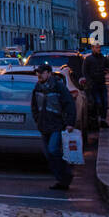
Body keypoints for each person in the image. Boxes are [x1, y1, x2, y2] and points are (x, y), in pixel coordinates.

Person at [30, 60, 77, 191]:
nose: (39, 75)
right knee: (48, 154)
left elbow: (69, 104)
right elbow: (34, 106)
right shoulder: (38, 87)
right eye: (38, 73)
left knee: (53, 150)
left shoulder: (58, 86)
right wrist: (37, 119)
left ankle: (66, 175)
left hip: (57, 124)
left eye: (42, 73)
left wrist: (69, 123)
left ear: (49, 73)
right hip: (44, 125)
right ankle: (61, 180)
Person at [81, 42, 109, 130]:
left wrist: (106, 70)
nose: (99, 49)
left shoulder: (102, 58)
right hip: (93, 85)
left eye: (99, 47)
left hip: (101, 83)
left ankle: (103, 120)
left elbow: (108, 66)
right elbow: (85, 71)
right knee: (97, 102)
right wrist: (90, 81)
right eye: (97, 48)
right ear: (92, 48)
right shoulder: (89, 59)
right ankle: (95, 120)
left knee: (104, 102)